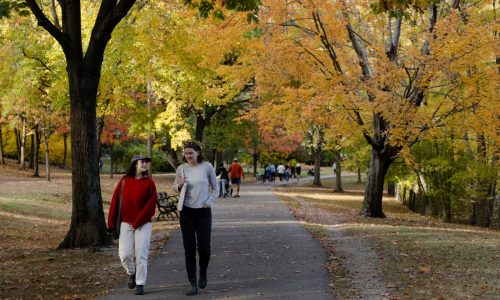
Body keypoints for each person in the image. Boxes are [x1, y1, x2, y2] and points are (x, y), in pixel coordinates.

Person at [107, 155, 157, 296]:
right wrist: (111, 223)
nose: (145, 165)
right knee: (124, 254)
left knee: (141, 254)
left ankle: (140, 283)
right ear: (134, 164)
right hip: (125, 223)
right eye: (142, 162)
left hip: (143, 224)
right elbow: (115, 203)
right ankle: (131, 272)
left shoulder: (149, 184)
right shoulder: (124, 181)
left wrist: (137, 222)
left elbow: (150, 207)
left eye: (146, 163)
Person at [173, 141, 218, 295]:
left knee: (204, 248)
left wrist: (208, 202)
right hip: (187, 213)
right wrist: (179, 185)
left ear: (198, 152)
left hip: (203, 213)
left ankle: (203, 272)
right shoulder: (181, 168)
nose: (188, 156)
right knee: (189, 249)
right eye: (186, 153)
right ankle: (192, 282)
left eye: (191, 153)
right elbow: (175, 187)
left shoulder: (207, 166)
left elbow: (216, 189)